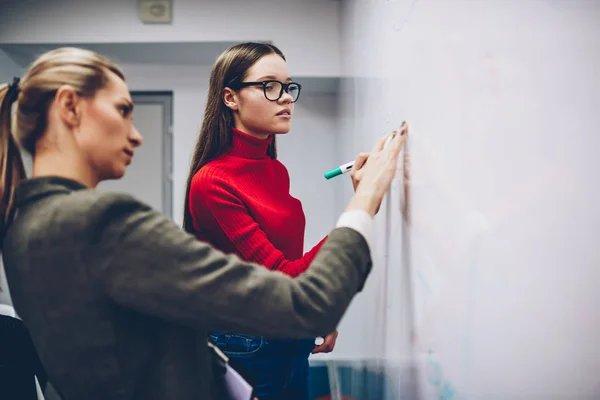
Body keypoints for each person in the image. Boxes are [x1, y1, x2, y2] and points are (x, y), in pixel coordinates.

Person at [0, 47, 406, 400]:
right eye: (123, 110)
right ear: (70, 107)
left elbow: (162, 324)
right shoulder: (102, 222)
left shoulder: (23, 226)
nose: (137, 135)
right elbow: (302, 301)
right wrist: (365, 198)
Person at [182, 42, 389, 399]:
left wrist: (318, 312)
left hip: (290, 334)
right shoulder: (212, 183)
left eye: (288, 86)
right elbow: (285, 279)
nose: (286, 98)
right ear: (230, 98)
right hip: (249, 346)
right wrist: (362, 205)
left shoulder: (274, 170)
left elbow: (290, 264)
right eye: (269, 86)